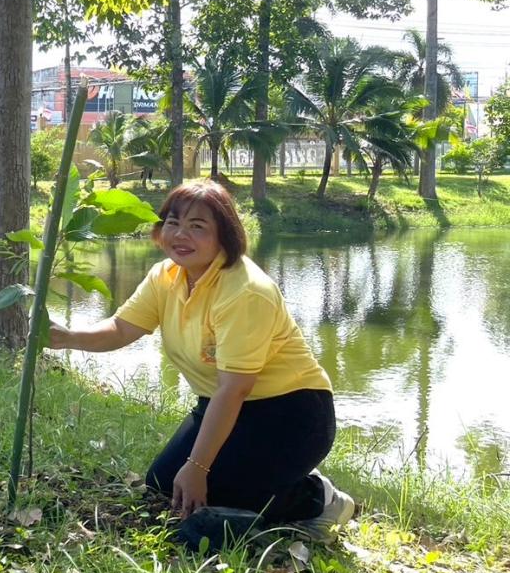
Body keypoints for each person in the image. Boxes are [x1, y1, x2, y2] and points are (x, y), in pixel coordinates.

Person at [46, 179, 354, 539]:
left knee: (209, 486)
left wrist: (198, 465)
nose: (180, 235)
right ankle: (265, 483)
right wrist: (63, 338)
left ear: (225, 235)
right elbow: (120, 329)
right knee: (163, 485)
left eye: (198, 226)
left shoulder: (245, 291)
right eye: (173, 223)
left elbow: (235, 389)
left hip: (291, 414)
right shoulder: (166, 276)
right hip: (222, 404)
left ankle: (319, 498)